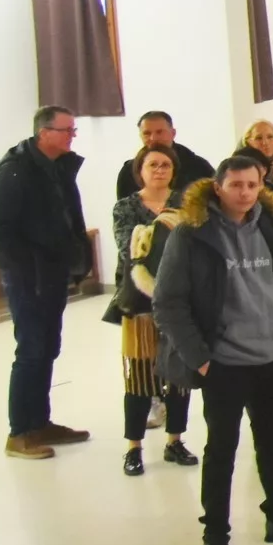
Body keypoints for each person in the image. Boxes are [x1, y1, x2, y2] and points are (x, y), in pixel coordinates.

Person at [152, 157, 273, 545]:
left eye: (251, 184)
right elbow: (167, 302)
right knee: (222, 450)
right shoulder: (192, 233)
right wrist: (200, 358)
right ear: (218, 186)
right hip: (224, 362)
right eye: (236, 185)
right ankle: (215, 538)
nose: (244, 192)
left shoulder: (271, 224)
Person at [0, 106, 95, 459]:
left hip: (51, 274)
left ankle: (40, 423)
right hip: (27, 278)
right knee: (31, 350)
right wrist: (24, 273)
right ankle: (19, 433)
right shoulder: (15, 172)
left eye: (73, 131)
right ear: (43, 133)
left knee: (48, 347)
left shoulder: (56, 168)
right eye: (67, 130)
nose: (71, 136)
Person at [108, 148, 197, 476]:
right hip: (140, 300)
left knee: (179, 377)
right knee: (140, 378)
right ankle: (134, 448)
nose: (159, 170)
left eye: (165, 165)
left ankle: (175, 440)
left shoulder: (187, 204)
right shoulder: (126, 207)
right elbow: (128, 249)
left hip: (180, 301)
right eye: (152, 165)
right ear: (140, 170)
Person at [113, 110, 216, 200]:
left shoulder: (198, 166)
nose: (153, 138)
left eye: (159, 132)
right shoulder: (129, 171)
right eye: (147, 133)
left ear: (173, 133)